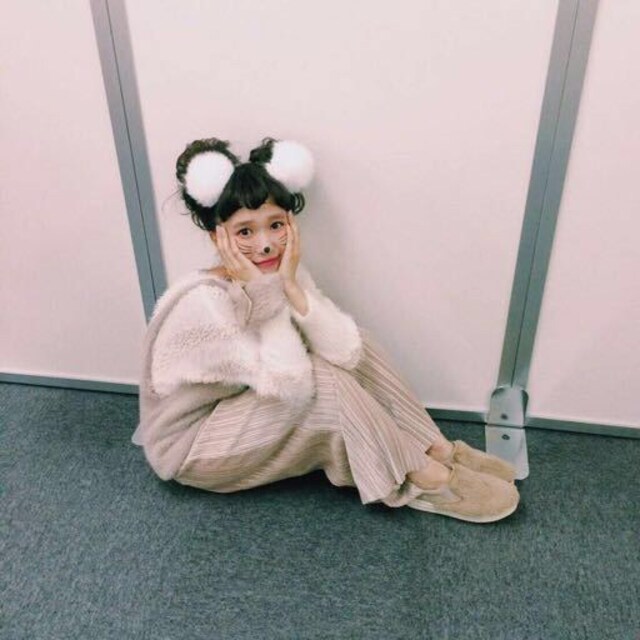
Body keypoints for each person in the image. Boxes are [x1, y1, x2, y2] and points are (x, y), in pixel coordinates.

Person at [133, 136, 520, 523]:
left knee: (360, 343)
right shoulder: (205, 304)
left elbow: (345, 351)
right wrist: (268, 294)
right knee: (325, 384)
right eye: (245, 232)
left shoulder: (283, 272)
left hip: (247, 405)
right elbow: (293, 385)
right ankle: (421, 478)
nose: (265, 245)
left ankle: (434, 448)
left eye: (275, 225)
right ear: (217, 236)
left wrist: (290, 286)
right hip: (193, 446)